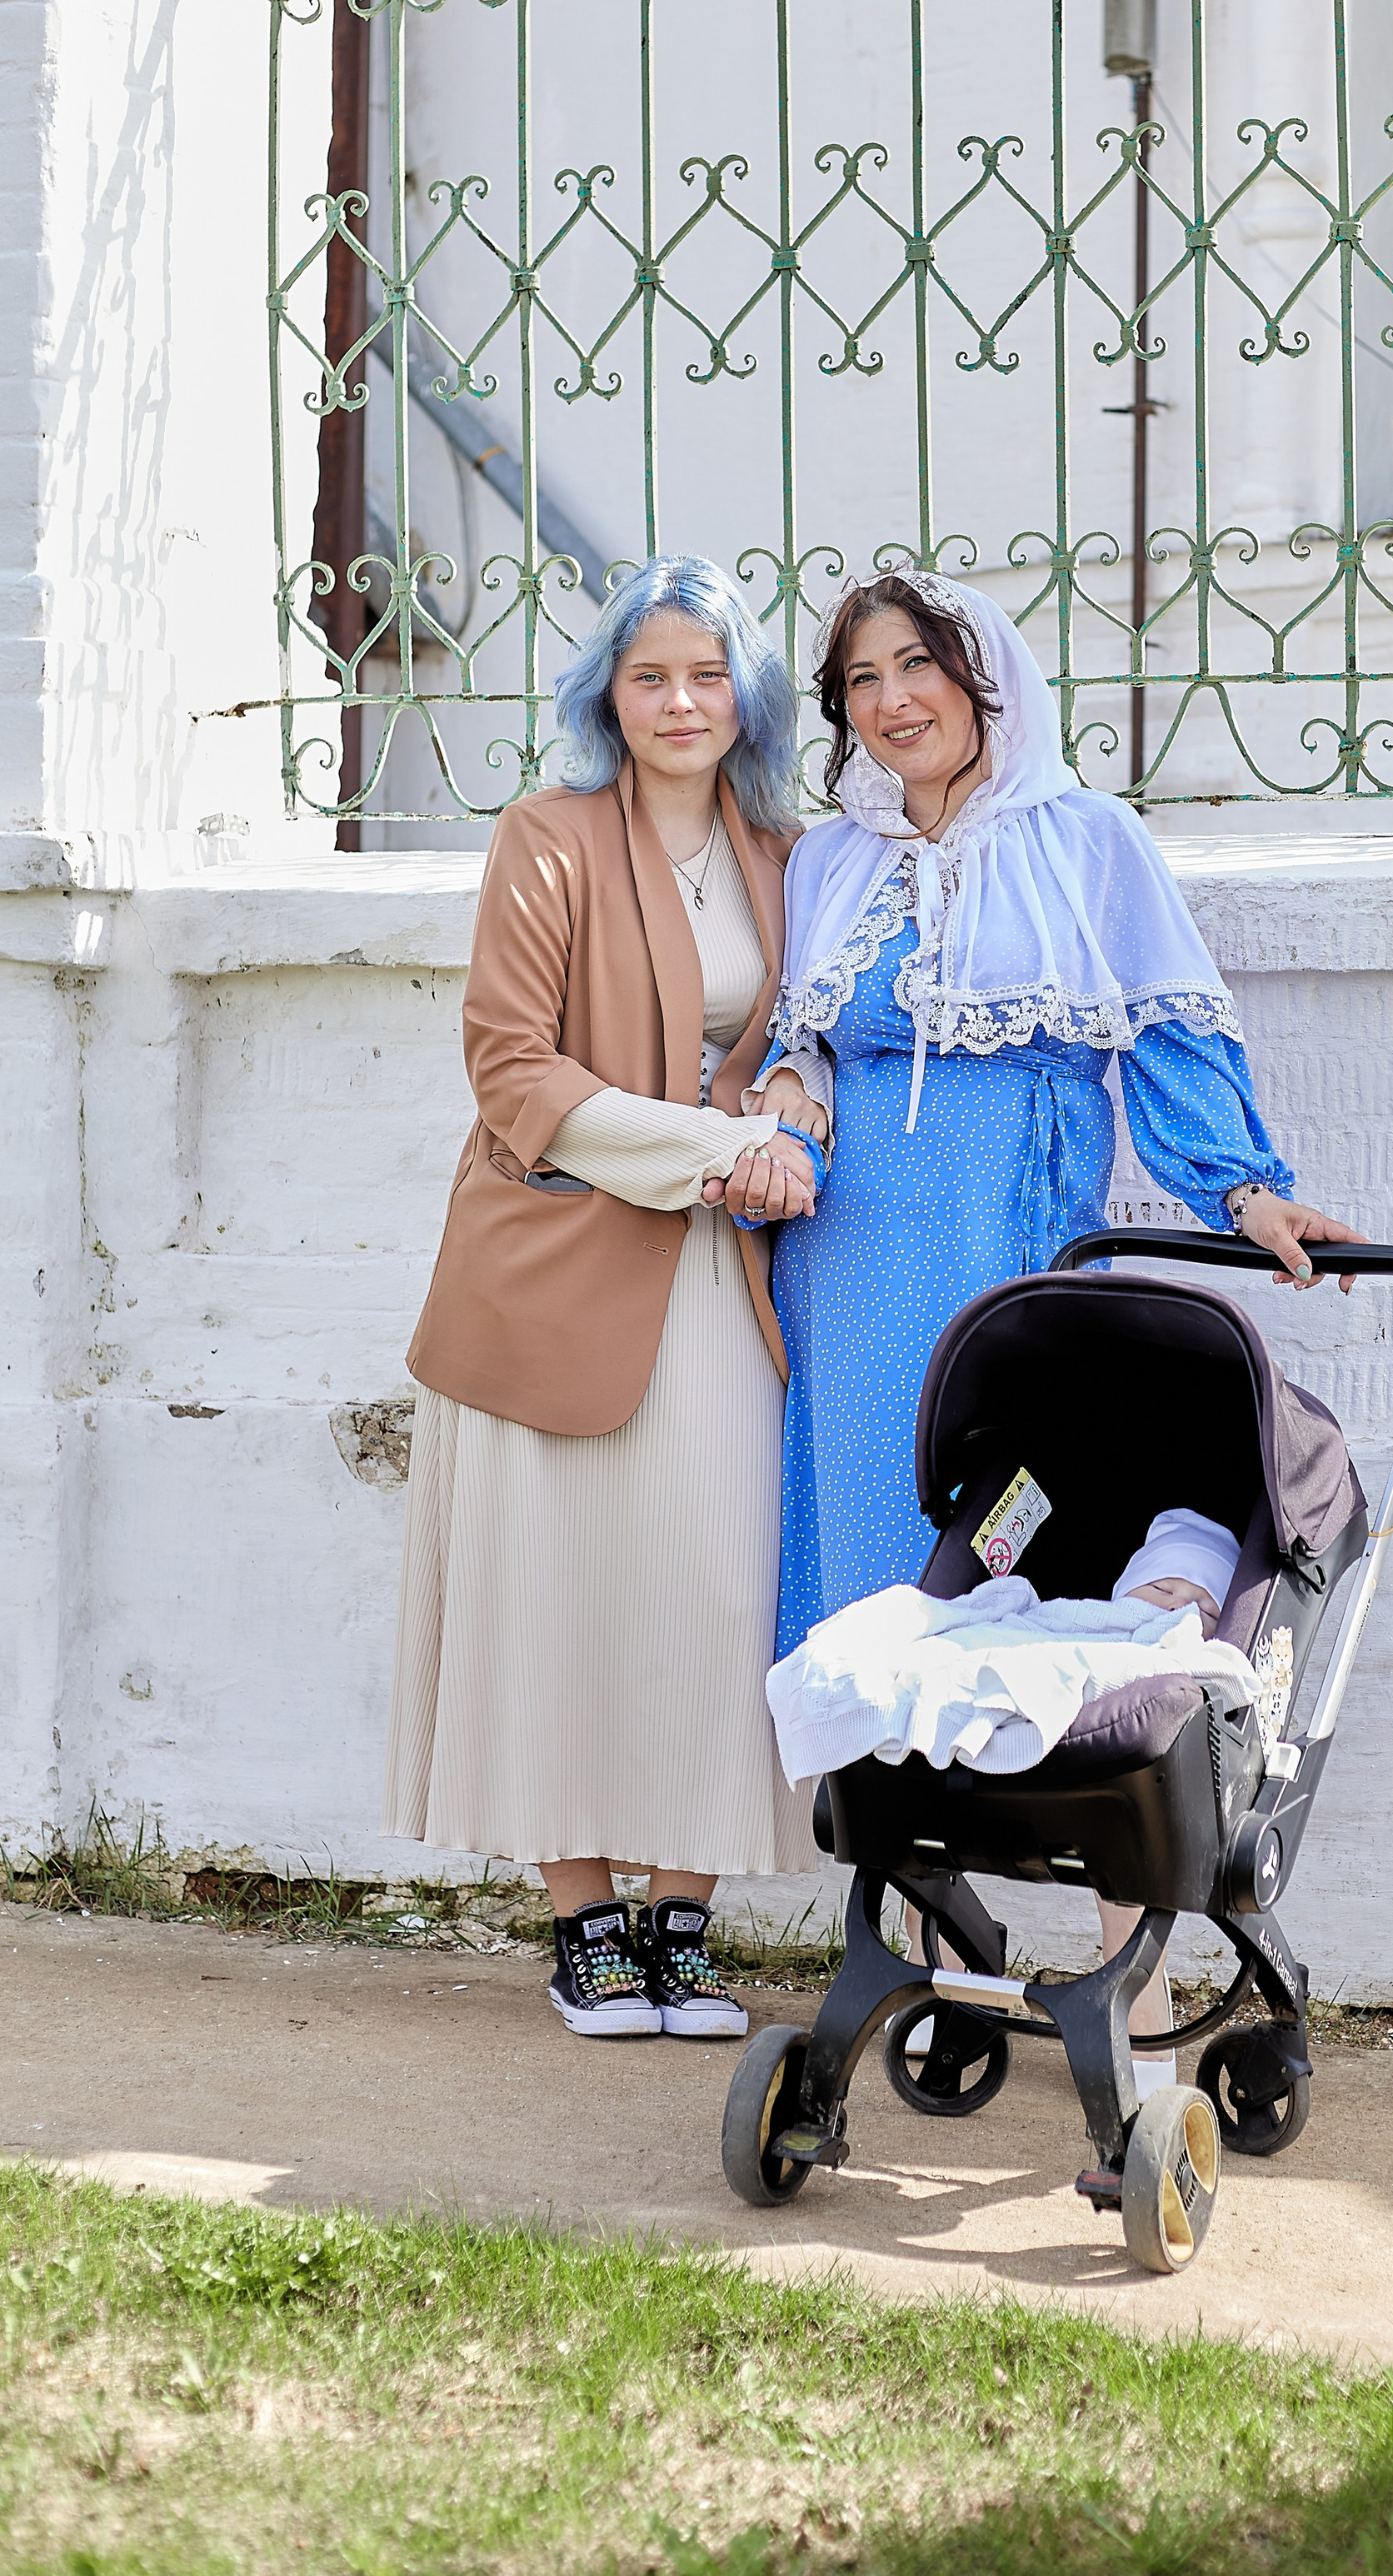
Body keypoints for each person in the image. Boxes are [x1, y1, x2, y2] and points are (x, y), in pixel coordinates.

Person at [726, 570, 1359, 2075]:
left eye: (917, 668)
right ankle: (939, 1965)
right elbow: (807, 1039)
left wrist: (1249, 1192)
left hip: (1006, 1258)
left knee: (1047, 1576)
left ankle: (1119, 1996)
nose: (891, 702)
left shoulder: (1086, 843)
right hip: (853, 1260)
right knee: (891, 1583)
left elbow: (1164, 1031)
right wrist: (790, 1111)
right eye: (860, 682)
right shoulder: (831, 862)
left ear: (983, 678)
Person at [383, 556, 823, 2043]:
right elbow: (513, 1071)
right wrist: (723, 1145)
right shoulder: (547, 839)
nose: (682, 701)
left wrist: (789, 1118)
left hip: (722, 1276)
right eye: (651, 677)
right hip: (557, 1263)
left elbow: (806, 1039)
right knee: (557, 1592)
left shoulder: (788, 850)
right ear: (610, 696)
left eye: (708, 674)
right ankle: (584, 1925)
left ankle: (683, 1925)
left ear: (744, 692)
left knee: (714, 1592)